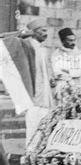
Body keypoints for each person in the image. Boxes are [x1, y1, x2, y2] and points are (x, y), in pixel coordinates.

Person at [24, 18, 55, 148]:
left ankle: (41, 148)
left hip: (45, 92)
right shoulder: (27, 46)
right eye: (42, 31)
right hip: (33, 91)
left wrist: (51, 76)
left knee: (45, 119)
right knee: (33, 119)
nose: (45, 33)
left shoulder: (44, 49)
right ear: (34, 32)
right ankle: (31, 149)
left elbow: (48, 65)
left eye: (46, 31)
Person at [51, 27, 81, 102]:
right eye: (70, 40)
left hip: (76, 85)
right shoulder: (57, 54)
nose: (73, 42)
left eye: (74, 40)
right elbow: (56, 71)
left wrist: (68, 71)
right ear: (63, 41)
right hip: (61, 86)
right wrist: (68, 74)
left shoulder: (79, 54)